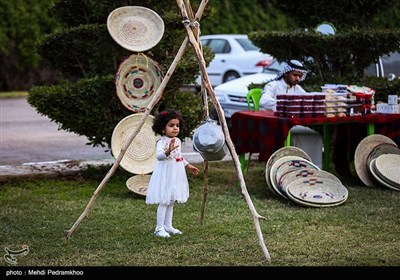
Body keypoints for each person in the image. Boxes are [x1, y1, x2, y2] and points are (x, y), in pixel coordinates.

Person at [259, 59, 323, 168]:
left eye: (299, 76)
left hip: (292, 125)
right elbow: (263, 101)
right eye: (295, 75)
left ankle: (312, 168)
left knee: (315, 137)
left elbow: (307, 100)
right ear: (286, 73)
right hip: (273, 125)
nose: (297, 78)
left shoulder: (297, 88)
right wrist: (285, 104)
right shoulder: (273, 86)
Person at [146, 109, 200, 238]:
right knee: (164, 200)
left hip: (176, 173)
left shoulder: (177, 141)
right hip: (165, 173)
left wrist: (188, 165)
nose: (175, 128)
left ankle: (168, 226)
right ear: (162, 128)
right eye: (171, 125)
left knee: (171, 200)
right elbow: (159, 156)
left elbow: (179, 157)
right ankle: (159, 228)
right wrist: (167, 151)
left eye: (177, 125)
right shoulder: (161, 142)